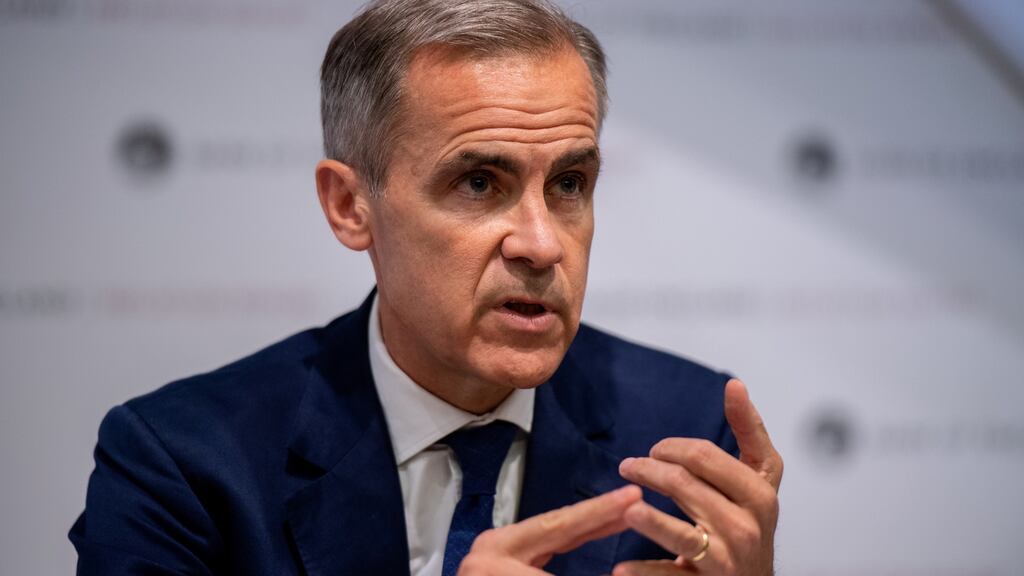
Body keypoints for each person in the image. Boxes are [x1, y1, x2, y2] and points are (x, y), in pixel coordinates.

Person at [70, 1, 783, 574]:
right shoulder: (184, 463)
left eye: (569, 183)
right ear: (351, 206)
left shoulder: (685, 434)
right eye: (479, 183)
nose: (541, 243)